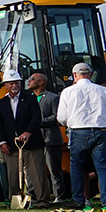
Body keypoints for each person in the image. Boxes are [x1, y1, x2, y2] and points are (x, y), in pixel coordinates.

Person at [57, 62, 106, 208]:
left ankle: (79, 200)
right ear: (91, 75)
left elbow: (61, 117)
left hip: (78, 131)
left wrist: (71, 124)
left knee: (77, 167)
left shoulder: (68, 92)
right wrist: (104, 122)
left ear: (74, 75)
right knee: (103, 167)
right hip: (101, 130)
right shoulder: (104, 91)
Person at [0, 69, 48, 206]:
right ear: (5, 85)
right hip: (11, 146)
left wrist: (28, 133)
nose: (14, 85)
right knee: (13, 175)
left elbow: (36, 118)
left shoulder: (30, 99)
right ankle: (15, 201)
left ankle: (42, 200)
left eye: (17, 82)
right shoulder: (0, 103)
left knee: (37, 173)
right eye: (11, 83)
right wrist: (2, 142)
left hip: (32, 143)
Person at [29, 72, 69, 202]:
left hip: (50, 139)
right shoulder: (28, 98)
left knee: (54, 169)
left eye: (32, 79)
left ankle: (59, 196)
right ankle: (33, 195)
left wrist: (37, 123)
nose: (29, 80)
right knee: (33, 169)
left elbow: (56, 117)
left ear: (41, 82)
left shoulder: (53, 98)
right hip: (34, 140)